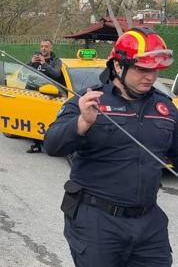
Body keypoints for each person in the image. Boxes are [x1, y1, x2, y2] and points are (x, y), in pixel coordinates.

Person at [44, 27, 178, 267]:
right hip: (97, 222)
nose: (150, 76)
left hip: (149, 224)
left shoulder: (165, 108)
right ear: (118, 66)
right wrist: (82, 122)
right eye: (142, 69)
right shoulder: (89, 100)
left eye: (155, 70)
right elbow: (53, 144)